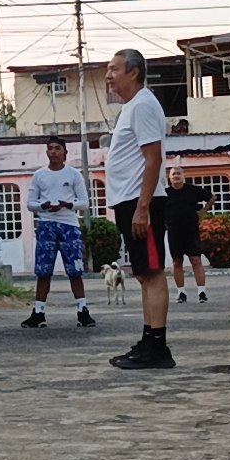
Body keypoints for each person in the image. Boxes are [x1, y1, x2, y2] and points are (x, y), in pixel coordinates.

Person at [103, 48, 174, 369]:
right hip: (129, 201)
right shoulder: (132, 107)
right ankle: (148, 340)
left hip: (141, 202)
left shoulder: (144, 105)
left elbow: (154, 158)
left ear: (133, 72)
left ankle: (158, 347)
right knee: (144, 275)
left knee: (153, 273)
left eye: (114, 69)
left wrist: (143, 208)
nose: (108, 76)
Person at [22, 138, 96, 329]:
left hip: (69, 225)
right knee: (43, 271)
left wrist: (67, 205)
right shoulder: (39, 175)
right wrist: (43, 206)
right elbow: (30, 203)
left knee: (74, 270)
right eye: (50, 149)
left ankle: (82, 310)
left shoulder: (73, 174)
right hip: (47, 224)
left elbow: (85, 202)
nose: (53, 152)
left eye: (57, 148)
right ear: (46, 152)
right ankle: (38, 312)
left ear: (65, 152)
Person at [161, 165, 211, 304]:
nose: (176, 176)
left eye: (178, 173)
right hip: (174, 231)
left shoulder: (193, 190)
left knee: (196, 260)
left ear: (183, 176)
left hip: (191, 231)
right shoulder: (165, 193)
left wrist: (203, 212)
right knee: (177, 262)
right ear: (169, 177)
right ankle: (181, 293)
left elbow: (212, 198)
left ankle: (202, 291)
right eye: (173, 174)